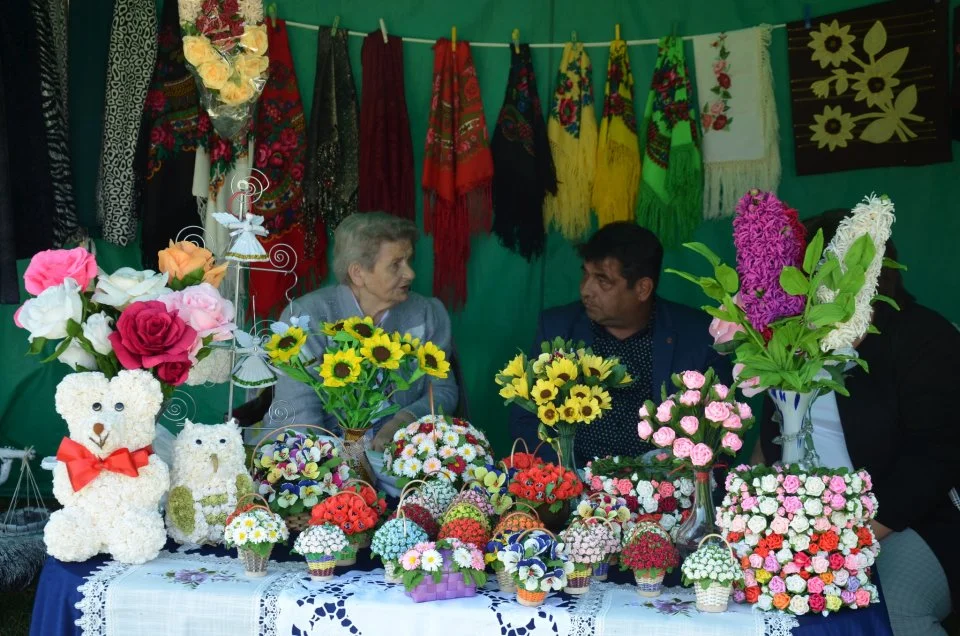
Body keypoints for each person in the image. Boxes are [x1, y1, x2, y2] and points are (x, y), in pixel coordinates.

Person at [754, 209, 959, 636]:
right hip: (803, 524)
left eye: (813, 270)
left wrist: (847, 540)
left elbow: (933, 461)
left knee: (891, 612)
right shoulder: (795, 342)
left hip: (908, 521)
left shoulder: (923, 337)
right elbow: (771, 438)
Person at [509, 222, 730, 466]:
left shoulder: (698, 335)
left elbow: (720, 432)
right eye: (586, 274)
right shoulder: (557, 328)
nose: (586, 289)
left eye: (603, 280)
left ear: (642, 288)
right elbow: (526, 419)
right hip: (574, 488)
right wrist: (566, 479)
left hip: (666, 492)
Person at [265, 212, 458, 450]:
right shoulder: (306, 317)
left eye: (409, 261)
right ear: (358, 273)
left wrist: (404, 420)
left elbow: (442, 390)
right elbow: (299, 412)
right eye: (396, 264)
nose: (410, 273)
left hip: (398, 454)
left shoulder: (426, 313)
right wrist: (326, 467)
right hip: (319, 452)